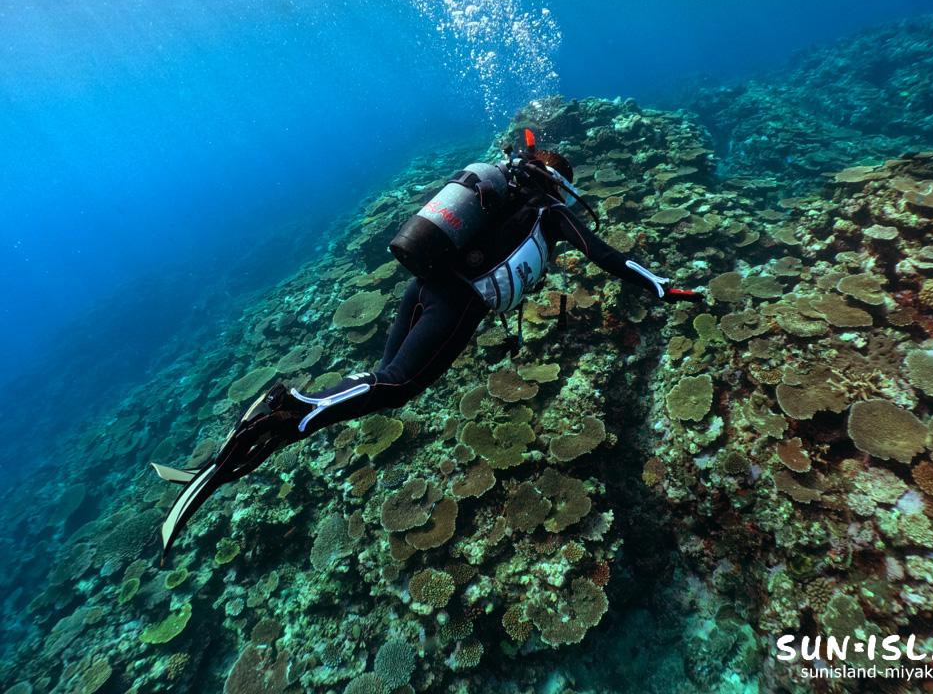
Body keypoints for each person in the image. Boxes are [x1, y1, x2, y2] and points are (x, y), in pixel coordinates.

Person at [153, 131, 703, 557]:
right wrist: (662, 286)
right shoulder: (549, 210)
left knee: (380, 376)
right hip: (458, 301)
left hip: (423, 284)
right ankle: (291, 410)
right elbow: (607, 258)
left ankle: (263, 437)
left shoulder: (496, 191)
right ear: (557, 181)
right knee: (396, 389)